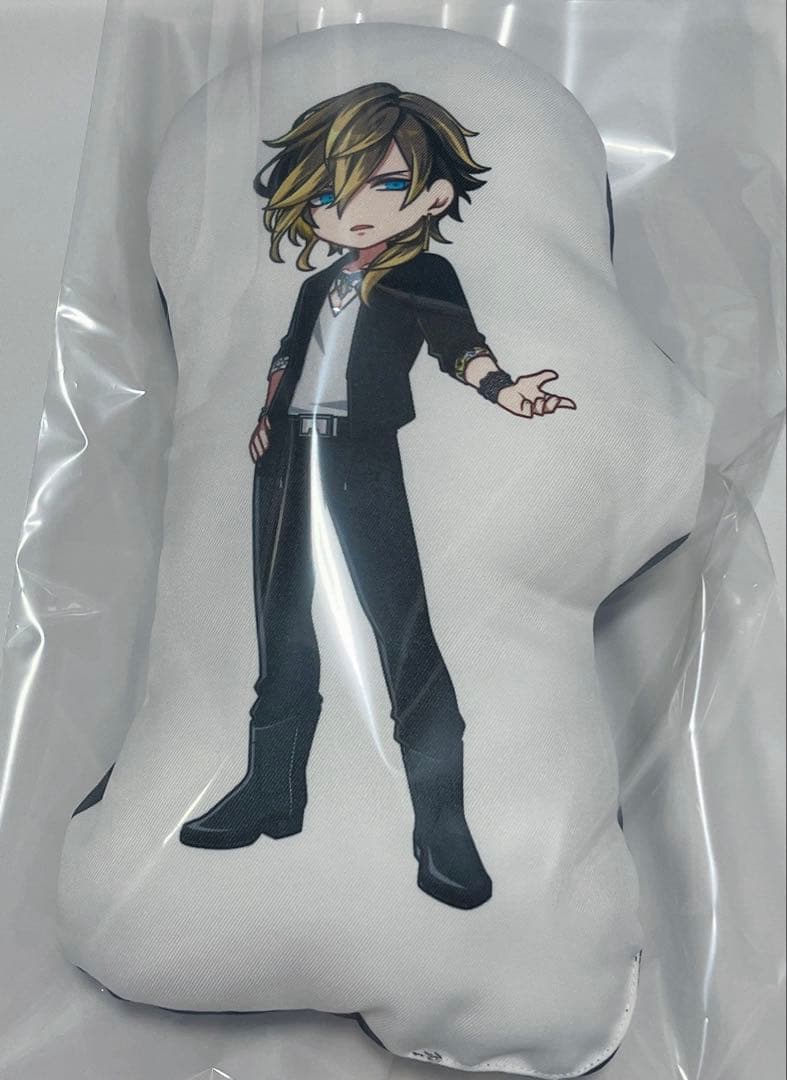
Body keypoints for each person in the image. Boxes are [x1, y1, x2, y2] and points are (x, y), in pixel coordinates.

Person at [180, 83, 576, 912]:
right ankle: (271, 789)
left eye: (384, 183)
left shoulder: (422, 270)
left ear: (433, 196)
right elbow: (290, 356)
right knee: (281, 627)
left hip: (361, 458)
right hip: (286, 461)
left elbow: (458, 345)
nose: (351, 208)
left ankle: (442, 824)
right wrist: (266, 416)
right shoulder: (315, 284)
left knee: (400, 629)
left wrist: (506, 390)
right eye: (329, 190)